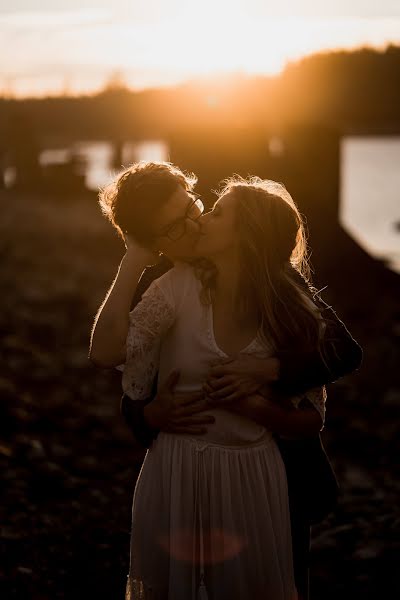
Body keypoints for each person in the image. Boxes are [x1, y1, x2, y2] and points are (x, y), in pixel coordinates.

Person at [90, 162, 363, 599]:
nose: (197, 222)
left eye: (196, 207)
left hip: (274, 472)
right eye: (178, 226)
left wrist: (271, 370)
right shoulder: (167, 284)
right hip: (186, 468)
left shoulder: (275, 278)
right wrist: (147, 415)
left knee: (275, 578)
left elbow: (343, 351)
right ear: (157, 242)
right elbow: (128, 366)